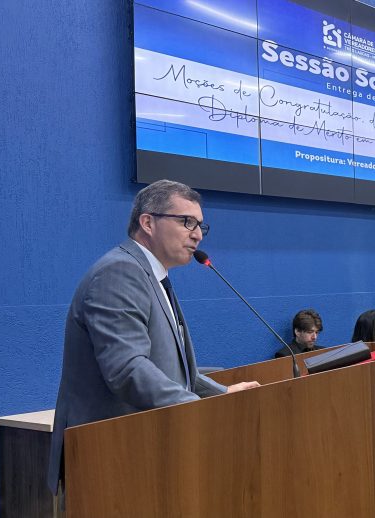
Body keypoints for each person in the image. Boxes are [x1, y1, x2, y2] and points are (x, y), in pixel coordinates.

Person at [47, 180, 259, 494]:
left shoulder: (153, 276)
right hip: (111, 457)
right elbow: (127, 369)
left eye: (200, 225)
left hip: (141, 453)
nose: (197, 235)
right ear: (148, 222)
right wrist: (201, 410)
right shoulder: (120, 272)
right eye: (187, 222)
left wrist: (221, 394)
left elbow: (171, 370)